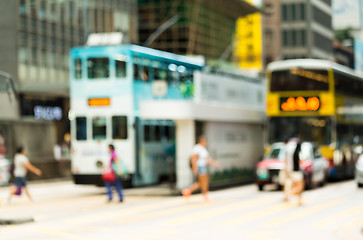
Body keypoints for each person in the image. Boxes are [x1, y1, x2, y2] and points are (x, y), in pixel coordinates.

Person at [182, 136, 220, 202]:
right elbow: (193, 158)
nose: (206, 143)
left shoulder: (203, 149)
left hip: (202, 166)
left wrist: (214, 163)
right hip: (200, 167)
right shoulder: (197, 148)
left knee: (200, 183)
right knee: (204, 181)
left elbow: (207, 159)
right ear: (201, 141)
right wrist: (194, 168)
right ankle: (205, 195)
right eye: (205, 141)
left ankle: (187, 191)